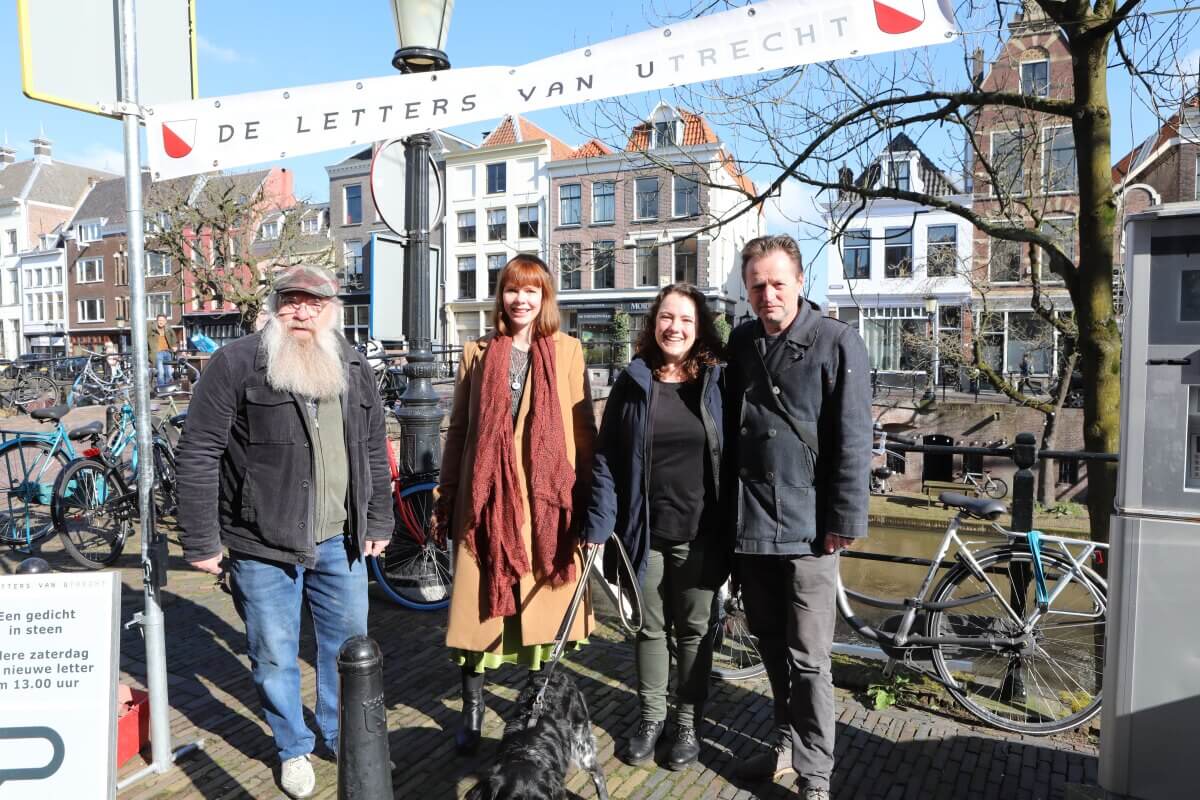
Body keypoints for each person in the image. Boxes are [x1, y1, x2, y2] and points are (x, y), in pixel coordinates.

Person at [175, 264, 394, 799]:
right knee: (273, 651)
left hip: (341, 539)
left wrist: (381, 518)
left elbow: (372, 448)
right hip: (260, 542)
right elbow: (199, 451)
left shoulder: (352, 364)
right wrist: (201, 540)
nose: (301, 311)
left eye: (313, 302)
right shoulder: (237, 363)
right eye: (291, 300)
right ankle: (292, 746)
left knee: (346, 649)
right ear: (274, 307)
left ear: (331, 309)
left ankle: (343, 736)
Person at [727, 236, 871, 800]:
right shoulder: (741, 342)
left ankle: (816, 777)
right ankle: (784, 745)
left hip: (811, 530)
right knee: (769, 646)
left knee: (811, 661)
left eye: (777, 283)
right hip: (752, 525)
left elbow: (855, 439)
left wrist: (845, 520)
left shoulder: (837, 341)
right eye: (757, 285)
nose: (767, 295)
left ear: (800, 282)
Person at [435, 254, 597, 756]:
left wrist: (591, 502)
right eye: (511, 290)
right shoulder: (478, 352)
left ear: (545, 296)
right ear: (500, 296)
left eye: (531, 290)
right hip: (487, 504)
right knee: (476, 613)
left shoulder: (568, 351)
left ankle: (535, 708)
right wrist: (449, 497)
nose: (520, 299)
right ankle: (474, 707)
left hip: (547, 503)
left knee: (542, 613)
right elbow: (460, 429)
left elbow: (582, 429)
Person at [584, 283, 728, 770]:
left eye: (686, 320)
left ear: (699, 327)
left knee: (692, 630)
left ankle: (686, 723)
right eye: (667, 317)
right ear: (654, 323)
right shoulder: (633, 380)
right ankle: (650, 717)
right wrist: (599, 524)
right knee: (648, 629)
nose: (675, 328)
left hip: (701, 532)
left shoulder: (716, 381)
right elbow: (605, 459)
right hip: (643, 532)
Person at [148, 314, 178, 387]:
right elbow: (145, 338)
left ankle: (168, 388)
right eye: (159, 320)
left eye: (162, 320)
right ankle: (161, 389)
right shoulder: (151, 329)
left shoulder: (168, 329)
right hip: (157, 353)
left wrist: (174, 346)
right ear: (156, 321)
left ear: (165, 321)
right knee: (161, 372)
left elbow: (173, 338)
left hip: (168, 352)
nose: (161, 322)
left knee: (168, 372)